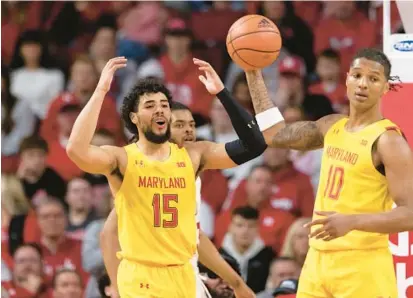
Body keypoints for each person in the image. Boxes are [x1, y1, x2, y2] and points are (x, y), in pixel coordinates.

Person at [67, 57, 268, 297]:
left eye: (164, 104)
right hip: (141, 275)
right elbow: (76, 150)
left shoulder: (193, 155)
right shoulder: (121, 159)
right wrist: (100, 92)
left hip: (182, 273)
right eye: (150, 106)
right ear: (134, 118)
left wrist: (222, 93)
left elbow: (254, 145)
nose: (160, 109)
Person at [243, 48, 413, 297]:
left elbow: (409, 214)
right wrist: (252, 73)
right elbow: (275, 135)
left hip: (362, 265)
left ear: (385, 88)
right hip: (317, 261)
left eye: (373, 79)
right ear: (347, 79)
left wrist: (353, 221)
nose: (362, 84)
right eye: (357, 75)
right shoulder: (332, 125)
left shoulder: (388, 140)